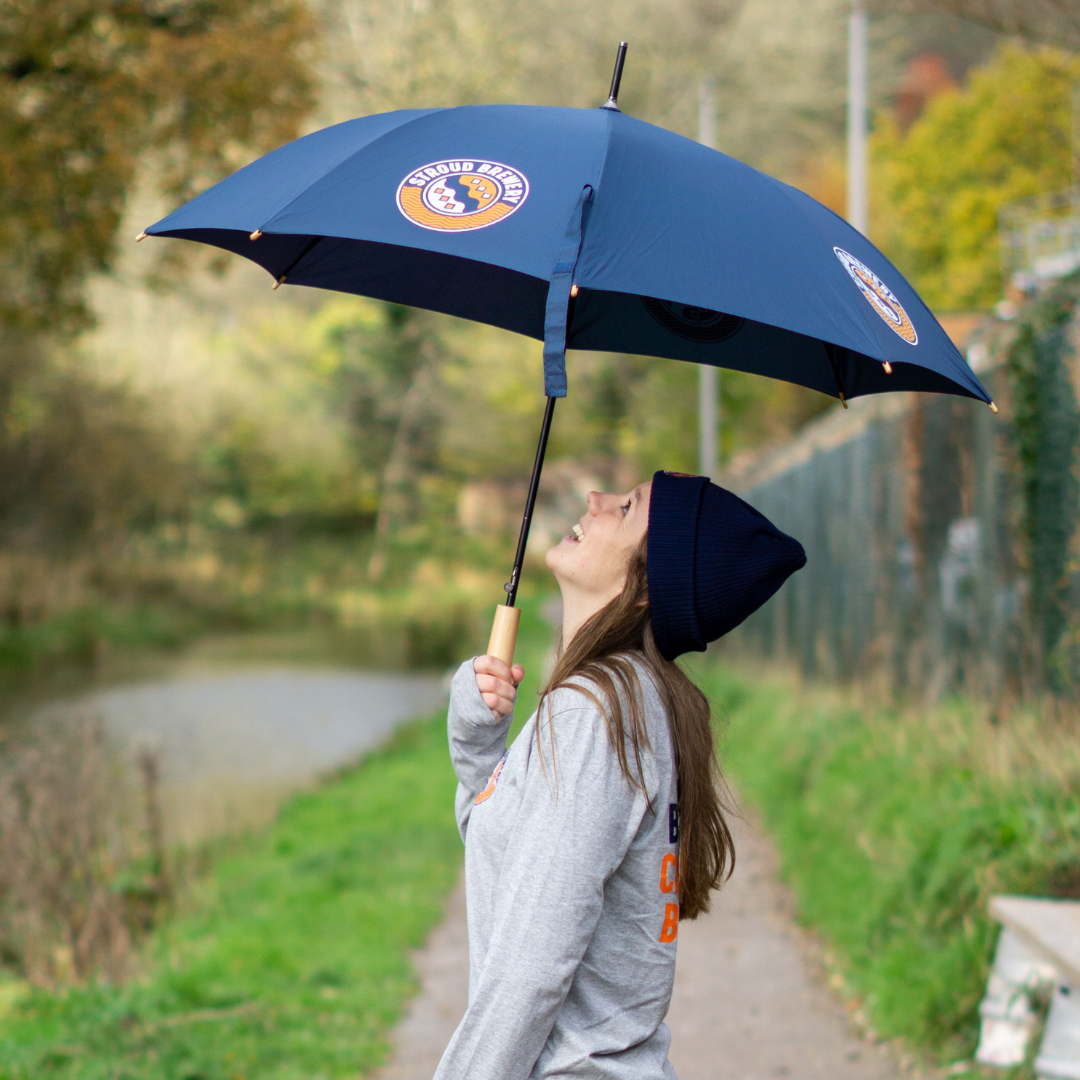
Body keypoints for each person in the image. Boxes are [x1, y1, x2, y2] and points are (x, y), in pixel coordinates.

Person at [434, 470, 805, 1080]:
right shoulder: (626, 697)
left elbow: (530, 966)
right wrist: (478, 741)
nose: (595, 501)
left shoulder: (594, 713)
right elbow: (505, 875)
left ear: (643, 588)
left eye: (626, 508)